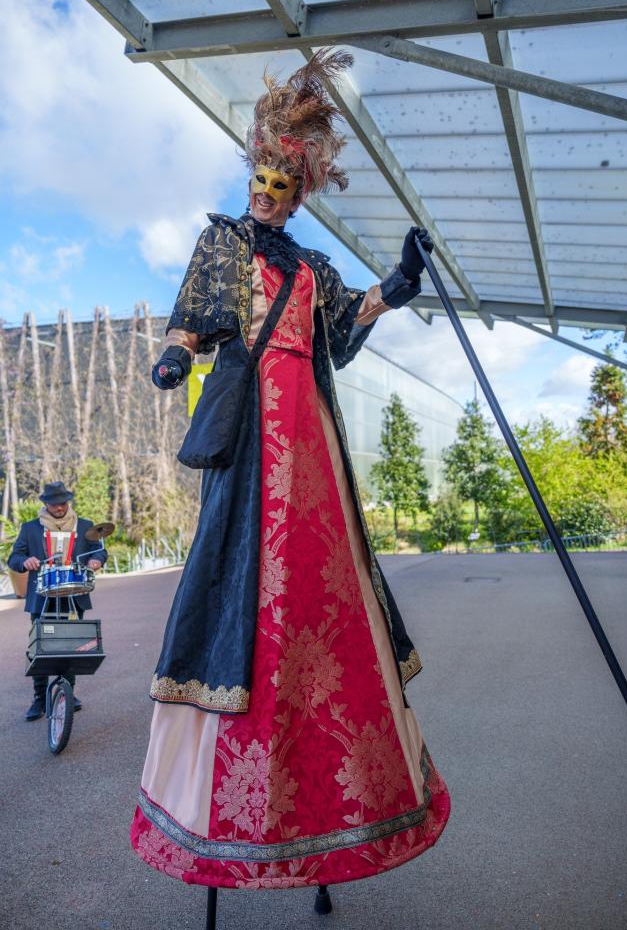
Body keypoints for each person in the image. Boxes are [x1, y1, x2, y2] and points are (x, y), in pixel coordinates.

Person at [131, 50, 449, 891]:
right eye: (261, 177)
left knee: (324, 593)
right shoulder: (222, 245)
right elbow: (190, 320)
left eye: (282, 182)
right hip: (252, 454)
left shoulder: (312, 268)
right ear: (250, 175)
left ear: (299, 190)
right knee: (241, 586)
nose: (267, 191)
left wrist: (397, 283)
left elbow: (342, 334)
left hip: (314, 449)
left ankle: (337, 813)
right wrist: (173, 358)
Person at [8, 481, 107, 721]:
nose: (60, 508)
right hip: (41, 596)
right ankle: (39, 699)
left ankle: (67, 694)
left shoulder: (84, 525)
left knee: (70, 645)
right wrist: (25, 561)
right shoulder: (31, 528)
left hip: (74, 593)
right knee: (39, 646)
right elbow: (14, 558)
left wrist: (97, 560)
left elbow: (99, 549)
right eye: (55, 504)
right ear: (46, 504)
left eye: (63, 503)